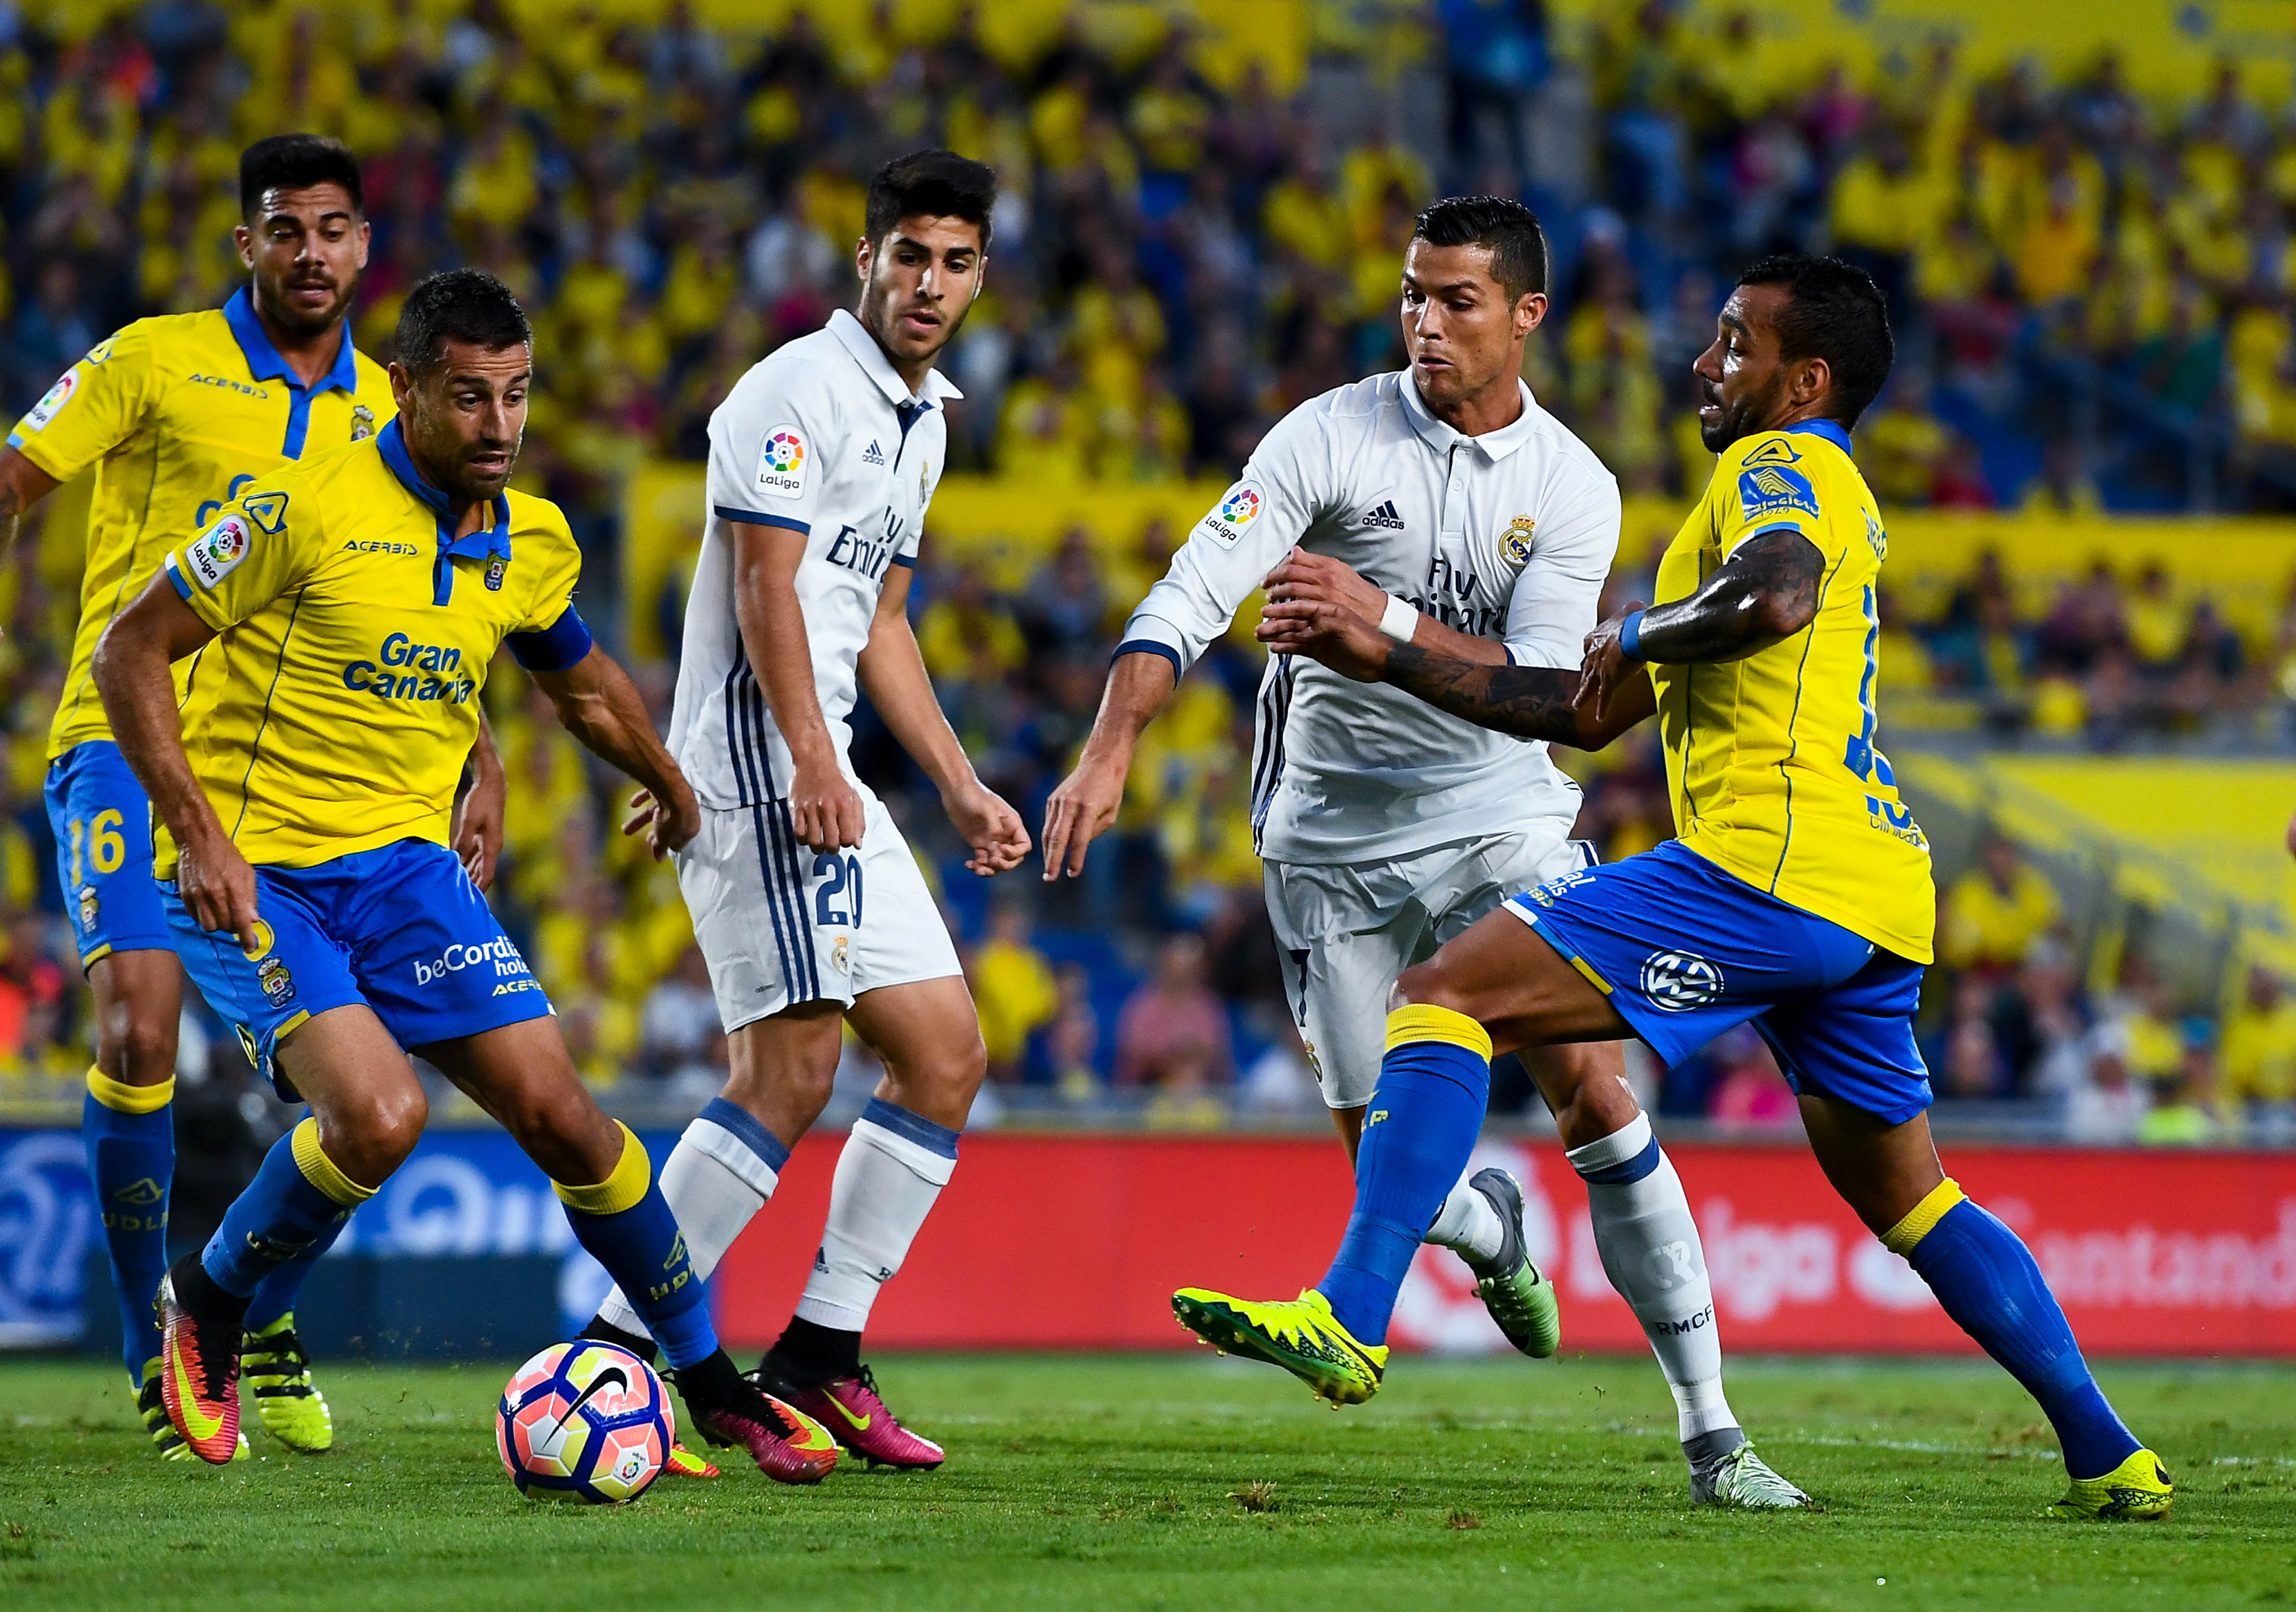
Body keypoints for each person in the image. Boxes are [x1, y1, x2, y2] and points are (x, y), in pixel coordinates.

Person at [1213, 253, 2172, 1522]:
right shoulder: (1780, 507)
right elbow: (1575, 709)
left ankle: (1351, 1312)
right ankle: (2112, 1454)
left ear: (1805, 380)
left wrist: (1637, 629)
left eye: (1734, 343)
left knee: (1444, 995)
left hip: (1769, 865)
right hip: (1872, 893)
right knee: (1914, 1198)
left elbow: (1773, 599)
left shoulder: (1781, 466)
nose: (1705, 364)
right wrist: (1384, 644)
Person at [1041, 195, 1803, 1508]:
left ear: (1526, 315)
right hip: (1327, 835)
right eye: (1412, 295)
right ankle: (1487, 1225)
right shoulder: (1328, 435)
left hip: (1498, 815)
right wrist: (1111, 745)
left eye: (1457, 300)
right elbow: (1192, 590)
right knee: (1383, 1169)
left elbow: (1547, 684)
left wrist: (1376, 619)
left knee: (1593, 1093)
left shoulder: (1571, 484)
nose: (1426, 323)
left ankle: (1714, 1434)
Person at [90, 268, 838, 1485]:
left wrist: (669, 779)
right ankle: (209, 1309)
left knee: (570, 1123)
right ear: (406, 390)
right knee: (381, 1117)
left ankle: (711, 1388)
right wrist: (199, 835)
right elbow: (130, 651)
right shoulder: (298, 509)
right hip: (260, 868)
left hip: (409, 875)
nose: (500, 425)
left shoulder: (529, 539)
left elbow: (581, 686)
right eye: (471, 397)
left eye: (518, 395)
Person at [0, 134, 509, 1462]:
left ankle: (254, 1319)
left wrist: (483, 750)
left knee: (353, 1085)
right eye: (285, 229)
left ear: (366, 247)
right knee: (138, 1023)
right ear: (247, 243)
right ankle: (156, 1342)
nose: (311, 252)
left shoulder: (393, 406)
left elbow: (431, 595)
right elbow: (6, 482)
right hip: (124, 744)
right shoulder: (154, 359)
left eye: (335, 229)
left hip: (287, 777)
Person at [582, 150, 1031, 1472]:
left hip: (824, 764)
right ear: (867, 259)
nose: (931, 284)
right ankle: (614, 1354)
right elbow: (764, 589)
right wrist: (808, 763)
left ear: (981, 278)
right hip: (762, 767)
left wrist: (956, 782)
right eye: (912, 257)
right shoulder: (791, 392)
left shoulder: (924, 421)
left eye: (957, 263)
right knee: (786, 1073)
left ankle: (820, 1353)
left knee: (945, 1053)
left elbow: (879, 619)